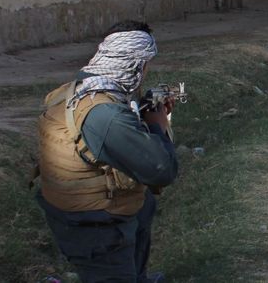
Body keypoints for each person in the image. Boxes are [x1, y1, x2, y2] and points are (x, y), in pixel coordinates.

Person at [34, 20, 178, 283]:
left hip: (76, 209)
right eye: (146, 65)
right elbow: (161, 170)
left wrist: (143, 115)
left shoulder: (77, 90)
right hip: (93, 225)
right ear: (136, 65)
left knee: (144, 204)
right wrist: (157, 127)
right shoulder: (105, 114)